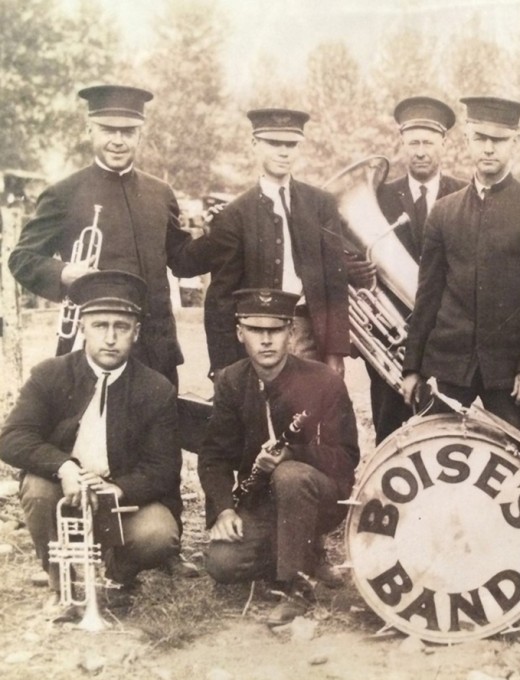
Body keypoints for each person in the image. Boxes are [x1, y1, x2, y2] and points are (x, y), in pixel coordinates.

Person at [0, 270, 185, 610]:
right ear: (82, 327)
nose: (110, 338)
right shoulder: (50, 374)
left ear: (136, 332)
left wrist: (118, 489)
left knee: (159, 533)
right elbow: (11, 437)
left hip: (122, 501)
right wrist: (64, 467)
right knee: (37, 489)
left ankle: (116, 576)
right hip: (64, 490)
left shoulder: (156, 388)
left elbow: (164, 467)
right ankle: (62, 585)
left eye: (121, 327)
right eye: (100, 325)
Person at [8, 85, 209, 385]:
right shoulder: (63, 193)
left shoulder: (160, 193)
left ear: (140, 134)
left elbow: (181, 260)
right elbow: (22, 258)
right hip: (95, 353)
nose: (117, 140)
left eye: (127, 131)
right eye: (107, 130)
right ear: (89, 129)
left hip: (158, 354)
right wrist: (65, 272)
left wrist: (219, 237)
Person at [401, 96, 520, 446]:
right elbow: (427, 295)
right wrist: (412, 367)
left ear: (515, 142)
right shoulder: (444, 211)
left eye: (499, 139)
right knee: (435, 455)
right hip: (448, 367)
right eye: (480, 138)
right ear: (467, 139)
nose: (489, 148)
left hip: (513, 375)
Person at [198, 288, 360, 627]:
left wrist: (292, 453)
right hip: (261, 502)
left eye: (275, 330)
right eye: (255, 330)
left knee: (289, 475)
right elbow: (214, 457)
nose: (266, 340)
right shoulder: (230, 380)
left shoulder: (324, 381)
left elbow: (346, 457)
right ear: (239, 333)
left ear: (292, 331)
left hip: (319, 498)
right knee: (222, 564)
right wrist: (225, 510)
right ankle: (301, 552)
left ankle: (296, 587)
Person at [203, 108, 349, 380]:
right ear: (254, 144)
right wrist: (222, 366)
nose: (284, 152)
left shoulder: (321, 204)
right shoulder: (235, 214)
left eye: (291, 145)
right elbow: (220, 298)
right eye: (273, 143)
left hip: (308, 333)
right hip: (255, 337)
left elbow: (335, 284)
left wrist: (335, 351)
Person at [354, 96, 466, 444]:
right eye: (413, 143)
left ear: (444, 143)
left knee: (444, 434)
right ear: (402, 144)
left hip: (449, 335)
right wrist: (359, 268)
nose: (420, 152)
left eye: (428, 143)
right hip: (393, 338)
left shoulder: (464, 193)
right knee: (391, 435)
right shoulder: (380, 195)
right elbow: (353, 249)